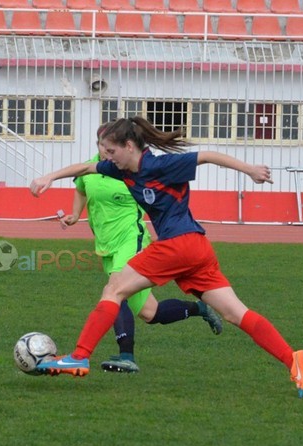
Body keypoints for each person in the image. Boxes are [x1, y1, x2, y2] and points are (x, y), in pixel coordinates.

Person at [30, 117, 303, 398]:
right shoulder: (121, 168)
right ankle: (294, 359)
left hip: (178, 245)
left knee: (114, 290)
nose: (107, 157)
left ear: (129, 146)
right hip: (197, 249)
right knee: (235, 313)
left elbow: (208, 156)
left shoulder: (161, 165)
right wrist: (49, 177)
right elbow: (84, 168)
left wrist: (250, 170)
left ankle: (80, 357)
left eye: (111, 150)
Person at [62, 125, 222, 373]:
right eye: (101, 146)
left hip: (131, 238)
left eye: (109, 147)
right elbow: (81, 189)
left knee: (115, 292)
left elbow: (151, 189)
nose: (105, 150)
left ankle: (125, 357)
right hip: (106, 246)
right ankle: (199, 308)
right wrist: (74, 214)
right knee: (151, 313)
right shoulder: (90, 168)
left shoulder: (127, 169)